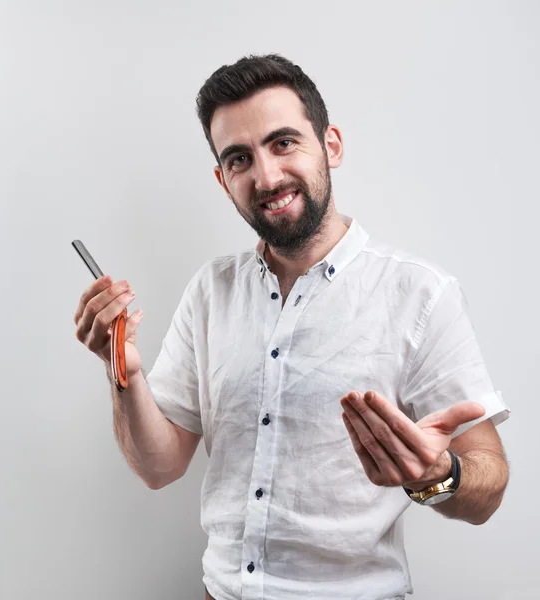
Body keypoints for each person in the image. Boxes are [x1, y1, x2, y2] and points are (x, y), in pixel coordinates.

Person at [74, 54, 511, 600]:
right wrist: (123, 375)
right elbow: (159, 466)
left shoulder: (420, 294)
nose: (266, 176)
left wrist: (438, 475)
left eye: (283, 143)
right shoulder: (211, 291)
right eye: (239, 158)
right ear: (222, 179)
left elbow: (488, 487)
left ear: (331, 145)